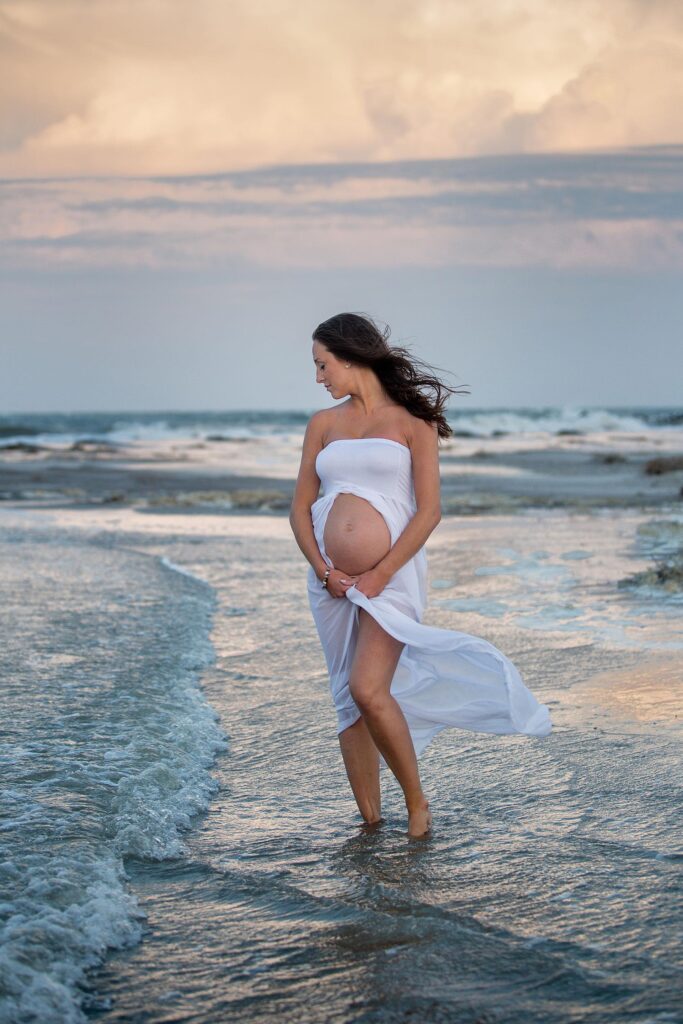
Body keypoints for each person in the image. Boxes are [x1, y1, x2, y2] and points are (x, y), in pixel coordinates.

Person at [289, 312, 552, 840]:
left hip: (392, 579)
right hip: (332, 583)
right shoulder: (323, 424)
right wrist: (325, 571)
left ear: (351, 355)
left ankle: (417, 803)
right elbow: (299, 510)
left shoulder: (413, 423)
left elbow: (429, 511)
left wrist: (381, 573)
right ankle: (369, 820)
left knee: (368, 688)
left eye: (322, 365)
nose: (318, 377)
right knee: (347, 697)